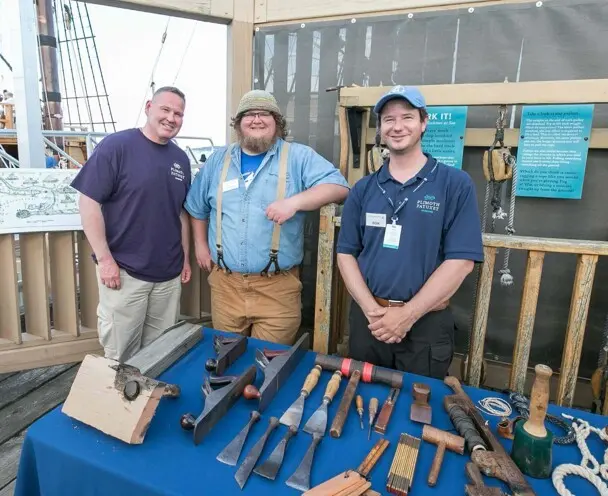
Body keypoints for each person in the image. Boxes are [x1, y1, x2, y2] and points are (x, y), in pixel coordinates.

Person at [336, 85, 484, 379]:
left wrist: (407, 315)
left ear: (423, 123)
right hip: (370, 322)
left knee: (418, 409)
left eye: (407, 117)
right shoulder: (364, 189)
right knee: (361, 398)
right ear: (380, 128)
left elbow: (461, 262)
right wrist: (370, 310)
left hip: (425, 325)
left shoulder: (454, 184)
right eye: (388, 119)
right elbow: (346, 253)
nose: (398, 126)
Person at [185, 89, 349, 345]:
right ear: (238, 124)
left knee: (269, 367)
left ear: (277, 123)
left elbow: (339, 187)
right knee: (226, 361)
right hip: (226, 287)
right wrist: (200, 246)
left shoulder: (298, 156)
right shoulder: (218, 160)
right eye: (249, 115)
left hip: (278, 289)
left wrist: (295, 202)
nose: (257, 119)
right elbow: (196, 208)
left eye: (264, 114)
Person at [70, 86, 192, 362]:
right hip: (125, 273)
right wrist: (105, 260)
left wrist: (185, 258)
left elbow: (181, 213)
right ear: (149, 107)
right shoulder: (117, 146)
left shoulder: (180, 159)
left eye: (178, 114)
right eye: (166, 109)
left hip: (168, 276)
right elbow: (88, 202)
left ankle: (151, 404)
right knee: (120, 354)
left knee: (161, 351)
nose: (171, 118)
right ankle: (119, 405)